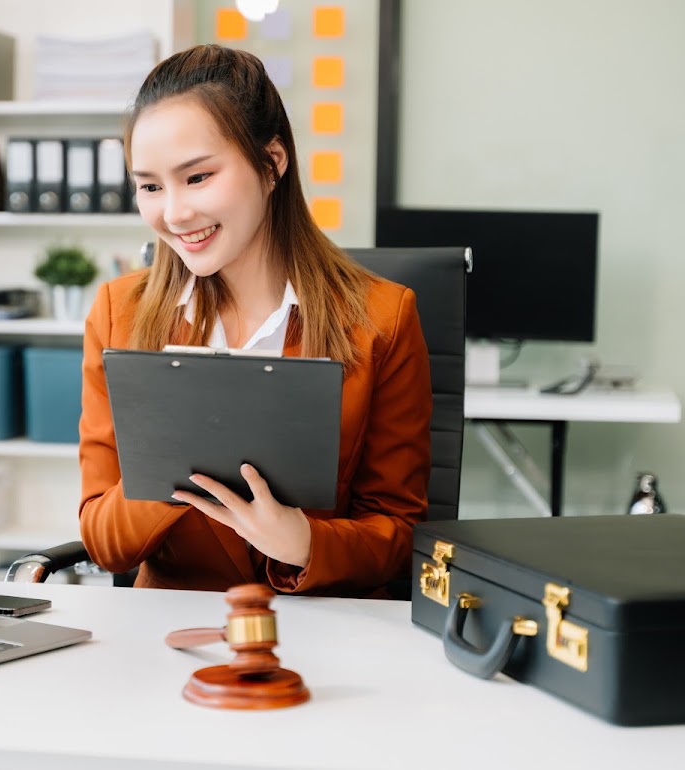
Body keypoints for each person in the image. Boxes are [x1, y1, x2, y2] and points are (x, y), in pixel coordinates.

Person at [78, 45, 432, 598]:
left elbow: (399, 531)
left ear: (272, 163)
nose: (173, 213)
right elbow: (104, 543)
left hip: (327, 631)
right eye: (150, 186)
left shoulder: (382, 318)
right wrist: (174, 451)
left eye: (196, 178)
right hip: (171, 628)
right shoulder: (118, 313)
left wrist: (304, 544)